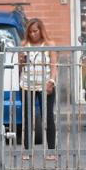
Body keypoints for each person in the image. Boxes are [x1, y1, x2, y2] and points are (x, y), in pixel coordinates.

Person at [18, 17, 57, 161]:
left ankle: (52, 150)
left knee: (48, 117)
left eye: (35, 31)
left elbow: (54, 66)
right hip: (27, 85)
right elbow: (20, 67)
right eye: (30, 32)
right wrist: (20, 61)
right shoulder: (23, 44)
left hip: (45, 85)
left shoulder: (49, 44)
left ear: (41, 30)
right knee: (27, 117)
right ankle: (27, 150)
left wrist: (51, 81)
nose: (33, 34)